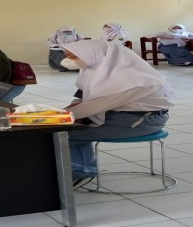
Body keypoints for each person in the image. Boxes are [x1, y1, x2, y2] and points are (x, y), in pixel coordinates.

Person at [61, 40, 173, 188]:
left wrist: (58, 116)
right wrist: (70, 109)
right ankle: (82, 169)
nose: (69, 60)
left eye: (74, 57)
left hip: (142, 121)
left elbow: (97, 105)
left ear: (93, 55)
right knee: (69, 127)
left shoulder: (129, 77)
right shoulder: (97, 69)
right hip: (121, 116)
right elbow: (82, 96)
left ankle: (81, 172)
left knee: (64, 133)